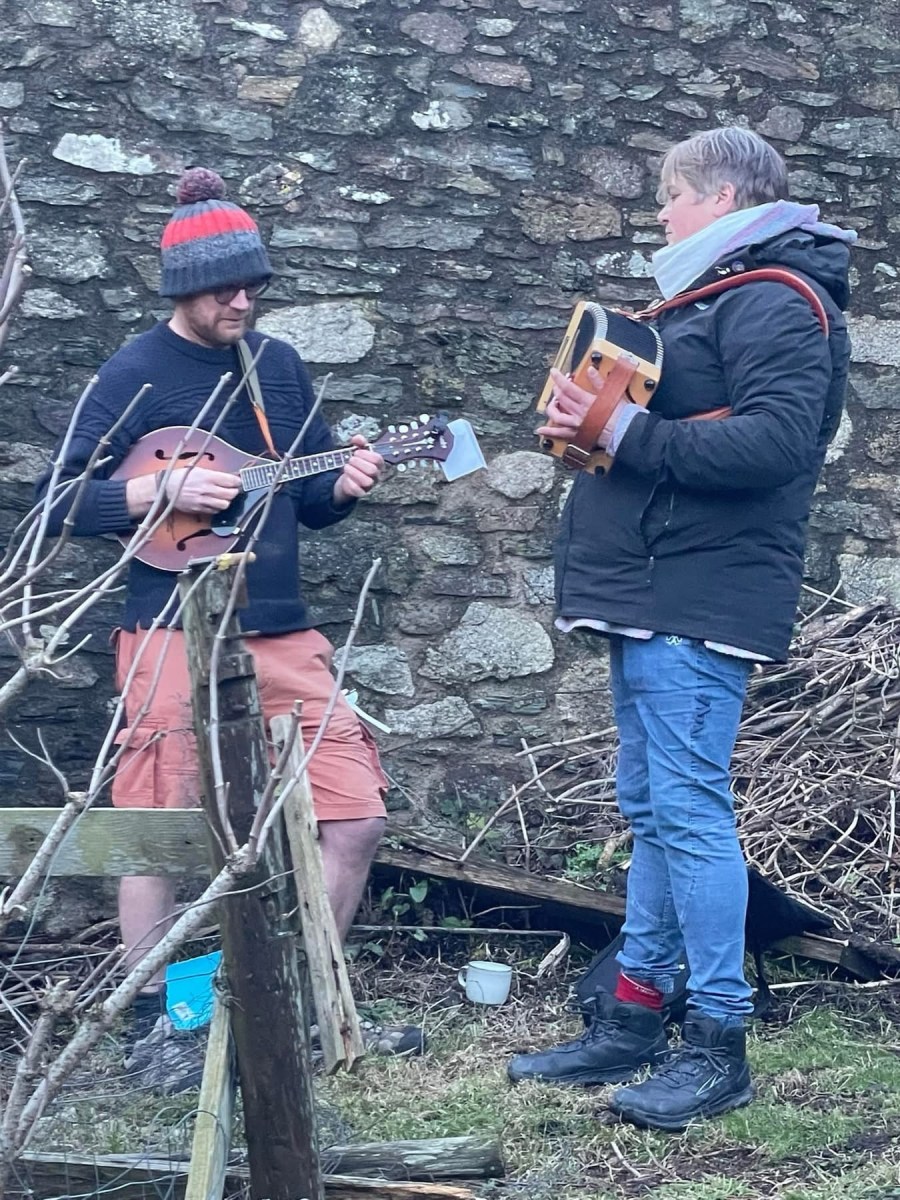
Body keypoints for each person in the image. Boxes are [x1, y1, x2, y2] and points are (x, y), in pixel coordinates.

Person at [36, 167, 421, 1090]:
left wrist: (345, 485)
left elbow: (302, 497)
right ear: (180, 290)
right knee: (159, 829)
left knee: (356, 817)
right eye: (223, 289)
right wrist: (152, 489)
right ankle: (164, 1026)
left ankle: (301, 1000)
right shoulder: (133, 374)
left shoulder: (276, 367)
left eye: (254, 286)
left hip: (278, 627)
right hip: (168, 625)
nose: (241, 302)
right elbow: (56, 502)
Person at [507, 128, 853, 1130]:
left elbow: (781, 441)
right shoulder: (729, 296)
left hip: (698, 597)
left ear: (727, 196)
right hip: (656, 588)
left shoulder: (777, 300)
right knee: (658, 809)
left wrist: (619, 431)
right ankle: (634, 1016)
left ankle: (719, 1045)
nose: (661, 213)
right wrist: (590, 422)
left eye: (673, 196)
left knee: (691, 815)